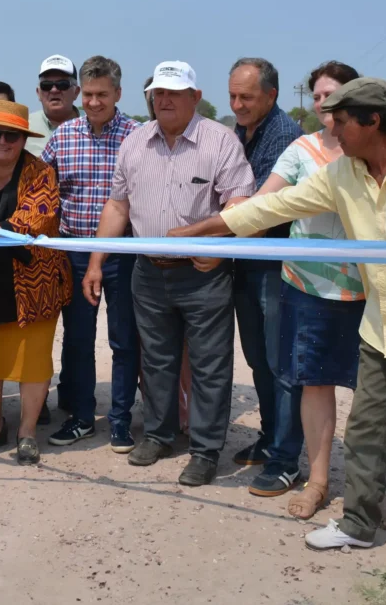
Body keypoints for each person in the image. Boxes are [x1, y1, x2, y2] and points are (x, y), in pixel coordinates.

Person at [179, 78, 386, 575]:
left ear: (372, 121)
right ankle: (356, 523)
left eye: (340, 118)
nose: (330, 126)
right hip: (379, 329)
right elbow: (270, 208)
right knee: (366, 434)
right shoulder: (341, 175)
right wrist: (196, 235)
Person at [83, 61, 255, 486]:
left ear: (195, 98)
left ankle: (205, 449)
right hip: (148, 272)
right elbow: (118, 205)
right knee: (156, 360)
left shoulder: (220, 141)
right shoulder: (136, 143)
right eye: (159, 92)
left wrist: (221, 247)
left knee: (209, 364)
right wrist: (96, 261)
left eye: (175, 93)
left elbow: (240, 204)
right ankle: (159, 435)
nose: (164, 100)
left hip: (203, 274)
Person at [248, 61, 365, 514]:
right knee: (314, 384)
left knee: (371, 392)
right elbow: (268, 202)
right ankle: (316, 481)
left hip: (366, 289)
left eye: (332, 95)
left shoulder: (374, 152)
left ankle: (367, 484)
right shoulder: (300, 150)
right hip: (306, 286)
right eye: (317, 96)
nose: (323, 104)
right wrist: (227, 221)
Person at [0, 100, 70, 464]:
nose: (2, 141)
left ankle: (26, 432)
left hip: (32, 285)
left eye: (12, 135)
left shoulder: (41, 173)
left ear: (24, 139)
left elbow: (30, 221)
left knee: (33, 363)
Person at [41, 56, 141, 453]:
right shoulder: (62, 138)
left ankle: (120, 421)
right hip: (74, 254)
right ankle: (81, 417)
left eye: (103, 94)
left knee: (124, 341)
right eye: (89, 94)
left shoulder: (138, 136)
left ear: (118, 93)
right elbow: (38, 189)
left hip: (125, 254)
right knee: (78, 340)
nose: (95, 102)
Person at [226, 58, 307, 492]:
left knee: (281, 364)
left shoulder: (284, 136)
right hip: (246, 260)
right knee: (258, 359)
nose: (237, 105)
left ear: (271, 96)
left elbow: (258, 208)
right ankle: (271, 433)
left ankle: (286, 457)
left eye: (247, 97)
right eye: (233, 96)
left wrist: (205, 230)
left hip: (275, 266)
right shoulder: (241, 132)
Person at [26, 55, 81, 156]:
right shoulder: (24, 127)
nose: (54, 90)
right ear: (38, 93)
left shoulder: (92, 127)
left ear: (76, 92)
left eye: (62, 84)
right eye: (46, 85)